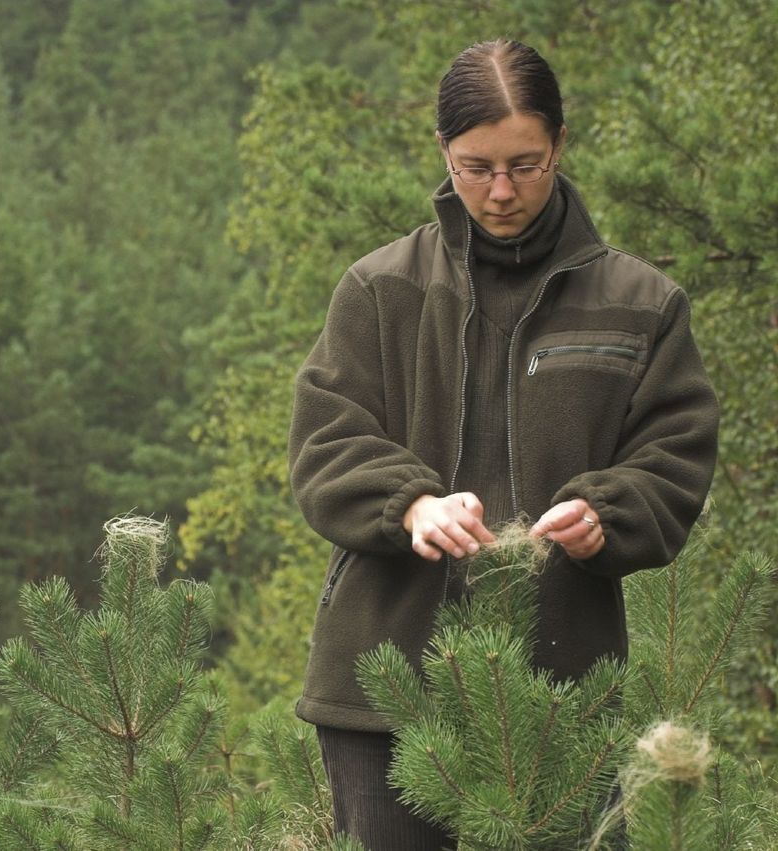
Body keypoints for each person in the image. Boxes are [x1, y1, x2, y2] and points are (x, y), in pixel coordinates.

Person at [286, 39, 719, 850]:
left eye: (525, 165)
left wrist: (609, 512)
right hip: (384, 684)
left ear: (558, 145)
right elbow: (323, 439)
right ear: (443, 154)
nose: (499, 191)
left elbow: (676, 454)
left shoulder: (641, 302)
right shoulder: (380, 288)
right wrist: (408, 502)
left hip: (568, 693)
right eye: (474, 166)